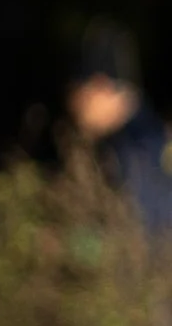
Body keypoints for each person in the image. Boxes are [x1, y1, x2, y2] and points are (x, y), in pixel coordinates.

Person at [67, 21, 172, 240]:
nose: (73, 107)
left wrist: (67, 244)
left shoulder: (133, 152)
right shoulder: (154, 138)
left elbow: (130, 240)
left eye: (78, 92)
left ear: (100, 85)